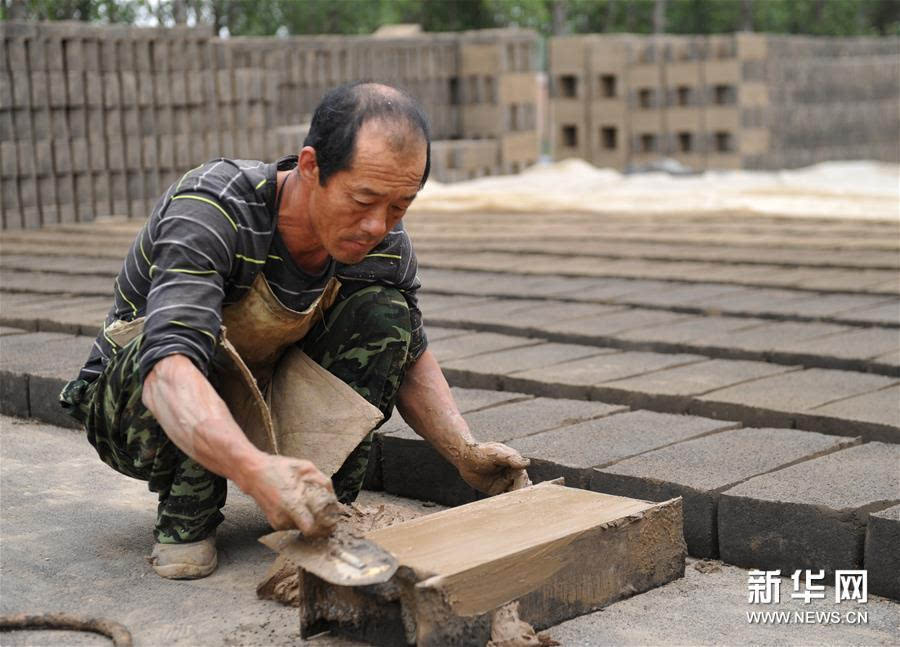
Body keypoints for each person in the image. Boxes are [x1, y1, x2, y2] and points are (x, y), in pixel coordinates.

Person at [59, 82, 530, 580]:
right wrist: (254, 470)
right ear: (310, 166)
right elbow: (168, 372)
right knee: (196, 344)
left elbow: (407, 353)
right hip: (135, 406)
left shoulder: (383, 240)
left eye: (399, 205)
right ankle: (186, 517)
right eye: (363, 199)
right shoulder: (215, 208)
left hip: (262, 393)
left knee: (385, 313)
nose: (377, 224)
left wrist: (463, 450)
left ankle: (322, 511)